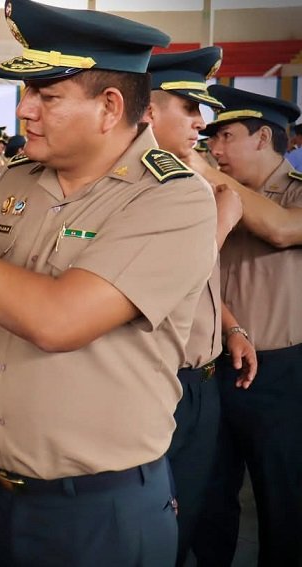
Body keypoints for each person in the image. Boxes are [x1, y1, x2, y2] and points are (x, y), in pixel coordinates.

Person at [0, 1, 219, 565]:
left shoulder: (172, 198)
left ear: (110, 107)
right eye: (26, 92)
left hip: (99, 509)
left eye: (47, 96)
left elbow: (59, 320)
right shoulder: (21, 181)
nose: (24, 109)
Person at [142, 46, 257, 567]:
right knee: (159, 524)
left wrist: (232, 327)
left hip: (204, 377)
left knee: (199, 512)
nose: (200, 122)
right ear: (146, 109)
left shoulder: (190, 181)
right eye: (187, 108)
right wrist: (221, 223)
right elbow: (158, 284)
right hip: (159, 380)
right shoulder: (138, 190)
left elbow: (205, 283)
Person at [185, 85, 302, 567]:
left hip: (280, 374)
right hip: (214, 366)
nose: (215, 148)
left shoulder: (293, 196)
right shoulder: (205, 194)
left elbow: (279, 228)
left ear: (263, 138)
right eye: (210, 139)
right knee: (208, 496)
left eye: (226, 136)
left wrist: (203, 171)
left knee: (283, 501)